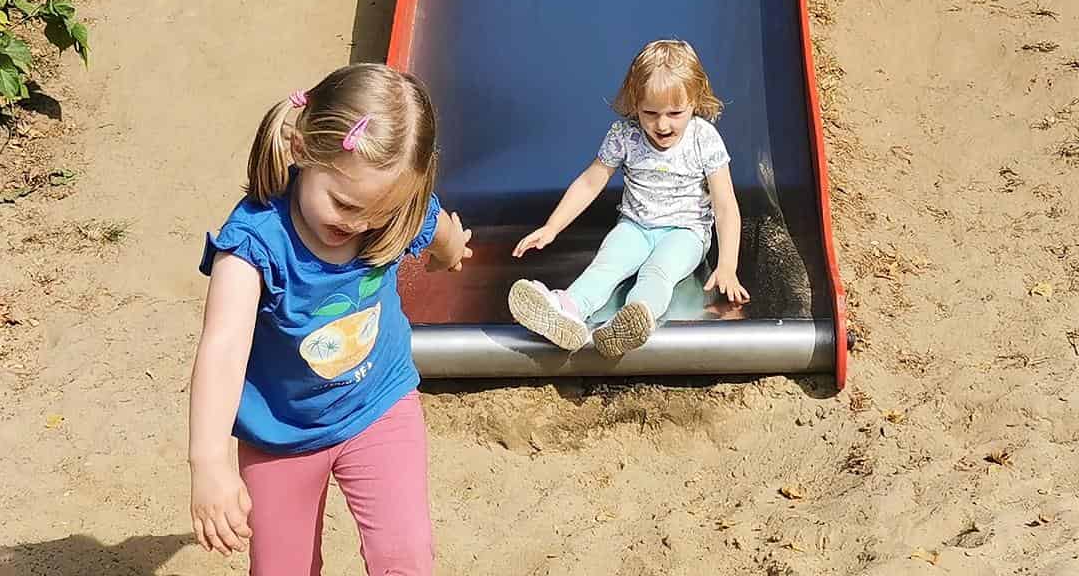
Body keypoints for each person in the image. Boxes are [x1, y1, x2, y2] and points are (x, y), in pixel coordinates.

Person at [188, 64, 473, 575]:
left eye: (379, 214)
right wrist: (209, 463)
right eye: (344, 204)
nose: (360, 224)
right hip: (282, 432)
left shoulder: (390, 213)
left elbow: (435, 226)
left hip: (378, 404)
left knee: (405, 556)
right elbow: (223, 348)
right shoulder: (254, 245)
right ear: (302, 150)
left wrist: (451, 251)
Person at [507, 40, 747, 358]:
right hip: (635, 226)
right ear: (635, 103)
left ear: (695, 100)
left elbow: (725, 205)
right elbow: (590, 182)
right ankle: (566, 309)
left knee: (658, 271)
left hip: (686, 232)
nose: (662, 124)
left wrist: (728, 264)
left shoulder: (703, 138)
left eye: (675, 113)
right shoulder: (625, 135)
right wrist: (553, 226)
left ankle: (633, 319)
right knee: (607, 265)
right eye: (650, 113)